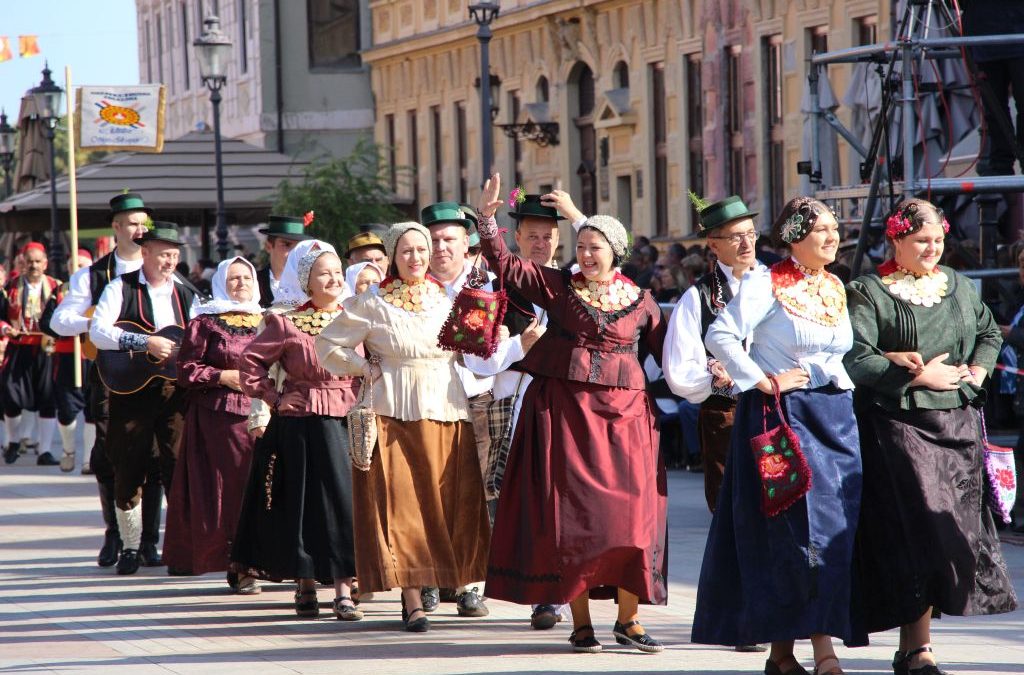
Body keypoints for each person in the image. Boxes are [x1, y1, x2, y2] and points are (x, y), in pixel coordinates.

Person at [476, 174, 668, 655]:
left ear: (614, 252)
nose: (585, 254)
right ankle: (580, 622)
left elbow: (673, 356)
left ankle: (629, 619)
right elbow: (506, 264)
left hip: (628, 422)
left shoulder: (642, 301)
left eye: (595, 246)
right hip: (569, 417)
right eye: (580, 246)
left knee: (631, 522)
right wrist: (486, 220)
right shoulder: (560, 288)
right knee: (576, 521)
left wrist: (718, 371)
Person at [844, 198, 1018, 675]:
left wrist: (977, 373)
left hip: (957, 425)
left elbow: (988, 333)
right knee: (918, 532)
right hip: (899, 427)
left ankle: (916, 645)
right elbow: (855, 356)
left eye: (938, 239)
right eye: (922, 240)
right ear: (895, 239)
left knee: (952, 538)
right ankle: (916, 647)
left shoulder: (958, 285)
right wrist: (919, 377)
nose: (933, 248)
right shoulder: (870, 291)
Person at [693, 196, 862, 675]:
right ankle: (822, 650)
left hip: (835, 418)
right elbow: (721, 335)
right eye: (820, 230)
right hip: (782, 419)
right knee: (794, 532)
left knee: (832, 531)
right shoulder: (766, 282)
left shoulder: (833, 285)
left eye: (834, 229)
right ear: (793, 237)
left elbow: (838, 354)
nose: (832, 237)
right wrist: (763, 380)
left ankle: (782, 654)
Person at [315, 221, 491, 632]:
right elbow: (327, 343)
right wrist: (362, 366)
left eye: (422, 249)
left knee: (447, 504)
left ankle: (455, 583)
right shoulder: (372, 302)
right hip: (393, 411)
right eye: (407, 250)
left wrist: (507, 341)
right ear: (393, 256)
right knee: (403, 509)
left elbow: (476, 353)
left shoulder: (447, 298)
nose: (416, 257)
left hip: (446, 408)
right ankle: (411, 601)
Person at [462, 190, 581, 631]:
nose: (541, 244)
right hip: (515, 399)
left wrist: (577, 213)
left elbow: (614, 256)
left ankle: (563, 593)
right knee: (530, 501)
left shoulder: (578, 282)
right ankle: (538, 593)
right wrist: (518, 345)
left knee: (568, 499)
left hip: (571, 405)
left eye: (549, 236)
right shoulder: (489, 284)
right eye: (532, 236)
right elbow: (474, 360)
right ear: (514, 237)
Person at [233, 241, 362, 620]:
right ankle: (305, 586)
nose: (335, 279)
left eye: (338, 272)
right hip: (301, 424)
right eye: (324, 273)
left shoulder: (357, 318)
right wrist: (273, 398)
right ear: (307, 282)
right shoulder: (285, 322)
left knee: (344, 505)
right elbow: (250, 361)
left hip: (346, 422)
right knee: (303, 506)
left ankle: (343, 590)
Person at [50, 192, 164, 568]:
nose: (139, 229)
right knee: (108, 456)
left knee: (154, 456)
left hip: (154, 376)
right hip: (109, 377)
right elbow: (58, 321)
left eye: (144, 223)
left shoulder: (163, 270)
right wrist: (98, 324)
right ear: (116, 228)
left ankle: (149, 540)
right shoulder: (93, 274)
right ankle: (115, 532)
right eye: (132, 223)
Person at [89, 222, 200, 575]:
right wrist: (143, 342)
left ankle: (180, 549)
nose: (170, 261)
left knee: (177, 466)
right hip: (129, 390)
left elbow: (199, 336)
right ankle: (131, 548)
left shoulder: (187, 293)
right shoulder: (120, 287)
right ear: (146, 252)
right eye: (164, 254)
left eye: (175, 255)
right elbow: (98, 332)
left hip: (173, 393)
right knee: (128, 467)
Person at [163, 257, 263, 591]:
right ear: (221, 282)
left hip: (267, 416)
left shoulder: (270, 319)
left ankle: (267, 558)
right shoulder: (205, 323)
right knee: (230, 491)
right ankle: (238, 562)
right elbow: (186, 369)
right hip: (219, 420)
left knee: (264, 489)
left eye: (246, 277)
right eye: (233, 278)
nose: (241, 284)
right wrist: (223, 375)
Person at [419, 200, 495, 618]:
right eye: (433, 240)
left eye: (449, 239)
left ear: (466, 243)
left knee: (473, 496)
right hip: (426, 401)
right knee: (428, 492)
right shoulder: (414, 289)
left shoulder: (486, 284)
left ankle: (470, 583)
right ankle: (429, 578)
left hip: (476, 400)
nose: (441, 247)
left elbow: (494, 348)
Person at [664, 196, 762, 513]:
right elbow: (679, 371)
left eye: (750, 233)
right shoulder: (698, 297)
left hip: (778, 410)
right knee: (731, 509)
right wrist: (718, 380)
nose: (747, 242)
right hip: (727, 415)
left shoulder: (775, 284)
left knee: (782, 505)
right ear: (714, 244)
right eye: (736, 236)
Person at [0, 242, 60, 466]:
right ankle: (13, 441)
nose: (34, 266)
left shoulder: (57, 287)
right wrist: (7, 328)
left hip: (47, 349)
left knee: (48, 398)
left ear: (45, 264)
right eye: (30, 261)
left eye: (38, 261)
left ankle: (44, 450)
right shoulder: (10, 287)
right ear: (22, 262)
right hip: (19, 346)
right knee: (11, 394)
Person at [39, 249, 97, 473]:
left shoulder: (99, 290)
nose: (78, 269)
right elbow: (46, 323)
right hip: (66, 357)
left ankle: (88, 459)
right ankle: (69, 450)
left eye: (83, 265)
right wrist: (68, 326)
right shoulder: (61, 291)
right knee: (66, 407)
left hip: (91, 356)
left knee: (93, 407)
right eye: (75, 265)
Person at [255, 215, 313, 309]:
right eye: (286, 244)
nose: (293, 252)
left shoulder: (311, 284)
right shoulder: (253, 282)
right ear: (268, 247)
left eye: (298, 247)